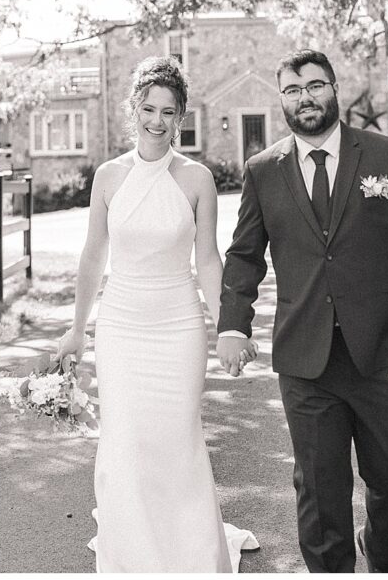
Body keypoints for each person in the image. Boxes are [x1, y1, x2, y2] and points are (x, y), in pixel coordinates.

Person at [217, 49, 388, 572]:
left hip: (383, 354)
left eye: (314, 86)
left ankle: (379, 549)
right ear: (282, 101)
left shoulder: (386, 157)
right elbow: (245, 255)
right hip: (305, 359)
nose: (305, 98)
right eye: (292, 91)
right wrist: (231, 325)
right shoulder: (263, 170)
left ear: (333, 89)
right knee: (319, 490)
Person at [56, 57, 257, 572]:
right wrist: (76, 329)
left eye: (169, 112)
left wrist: (228, 327)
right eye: (149, 108)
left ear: (181, 117)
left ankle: (188, 549)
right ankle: (134, 548)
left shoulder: (197, 179)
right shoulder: (108, 177)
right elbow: (92, 257)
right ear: (134, 109)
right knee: (125, 439)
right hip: (122, 325)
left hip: (178, 326)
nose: (158, 121)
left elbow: (208, 260)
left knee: (176, 438)